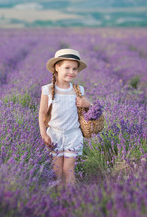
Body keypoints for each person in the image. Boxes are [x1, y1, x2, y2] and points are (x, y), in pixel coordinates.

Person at [38, 49, 92, 189]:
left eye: (75, 69)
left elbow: (92, 112)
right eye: (67, 67)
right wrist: (44, 134)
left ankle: (70, 199)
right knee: (57, 171)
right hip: (54, 135)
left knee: (68, 171)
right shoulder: (47, 89)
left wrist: (88, 104)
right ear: (57, 67)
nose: (71, 72)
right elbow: (42, 113)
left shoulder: (79, 89)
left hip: (73, 135)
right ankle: (59, 198)